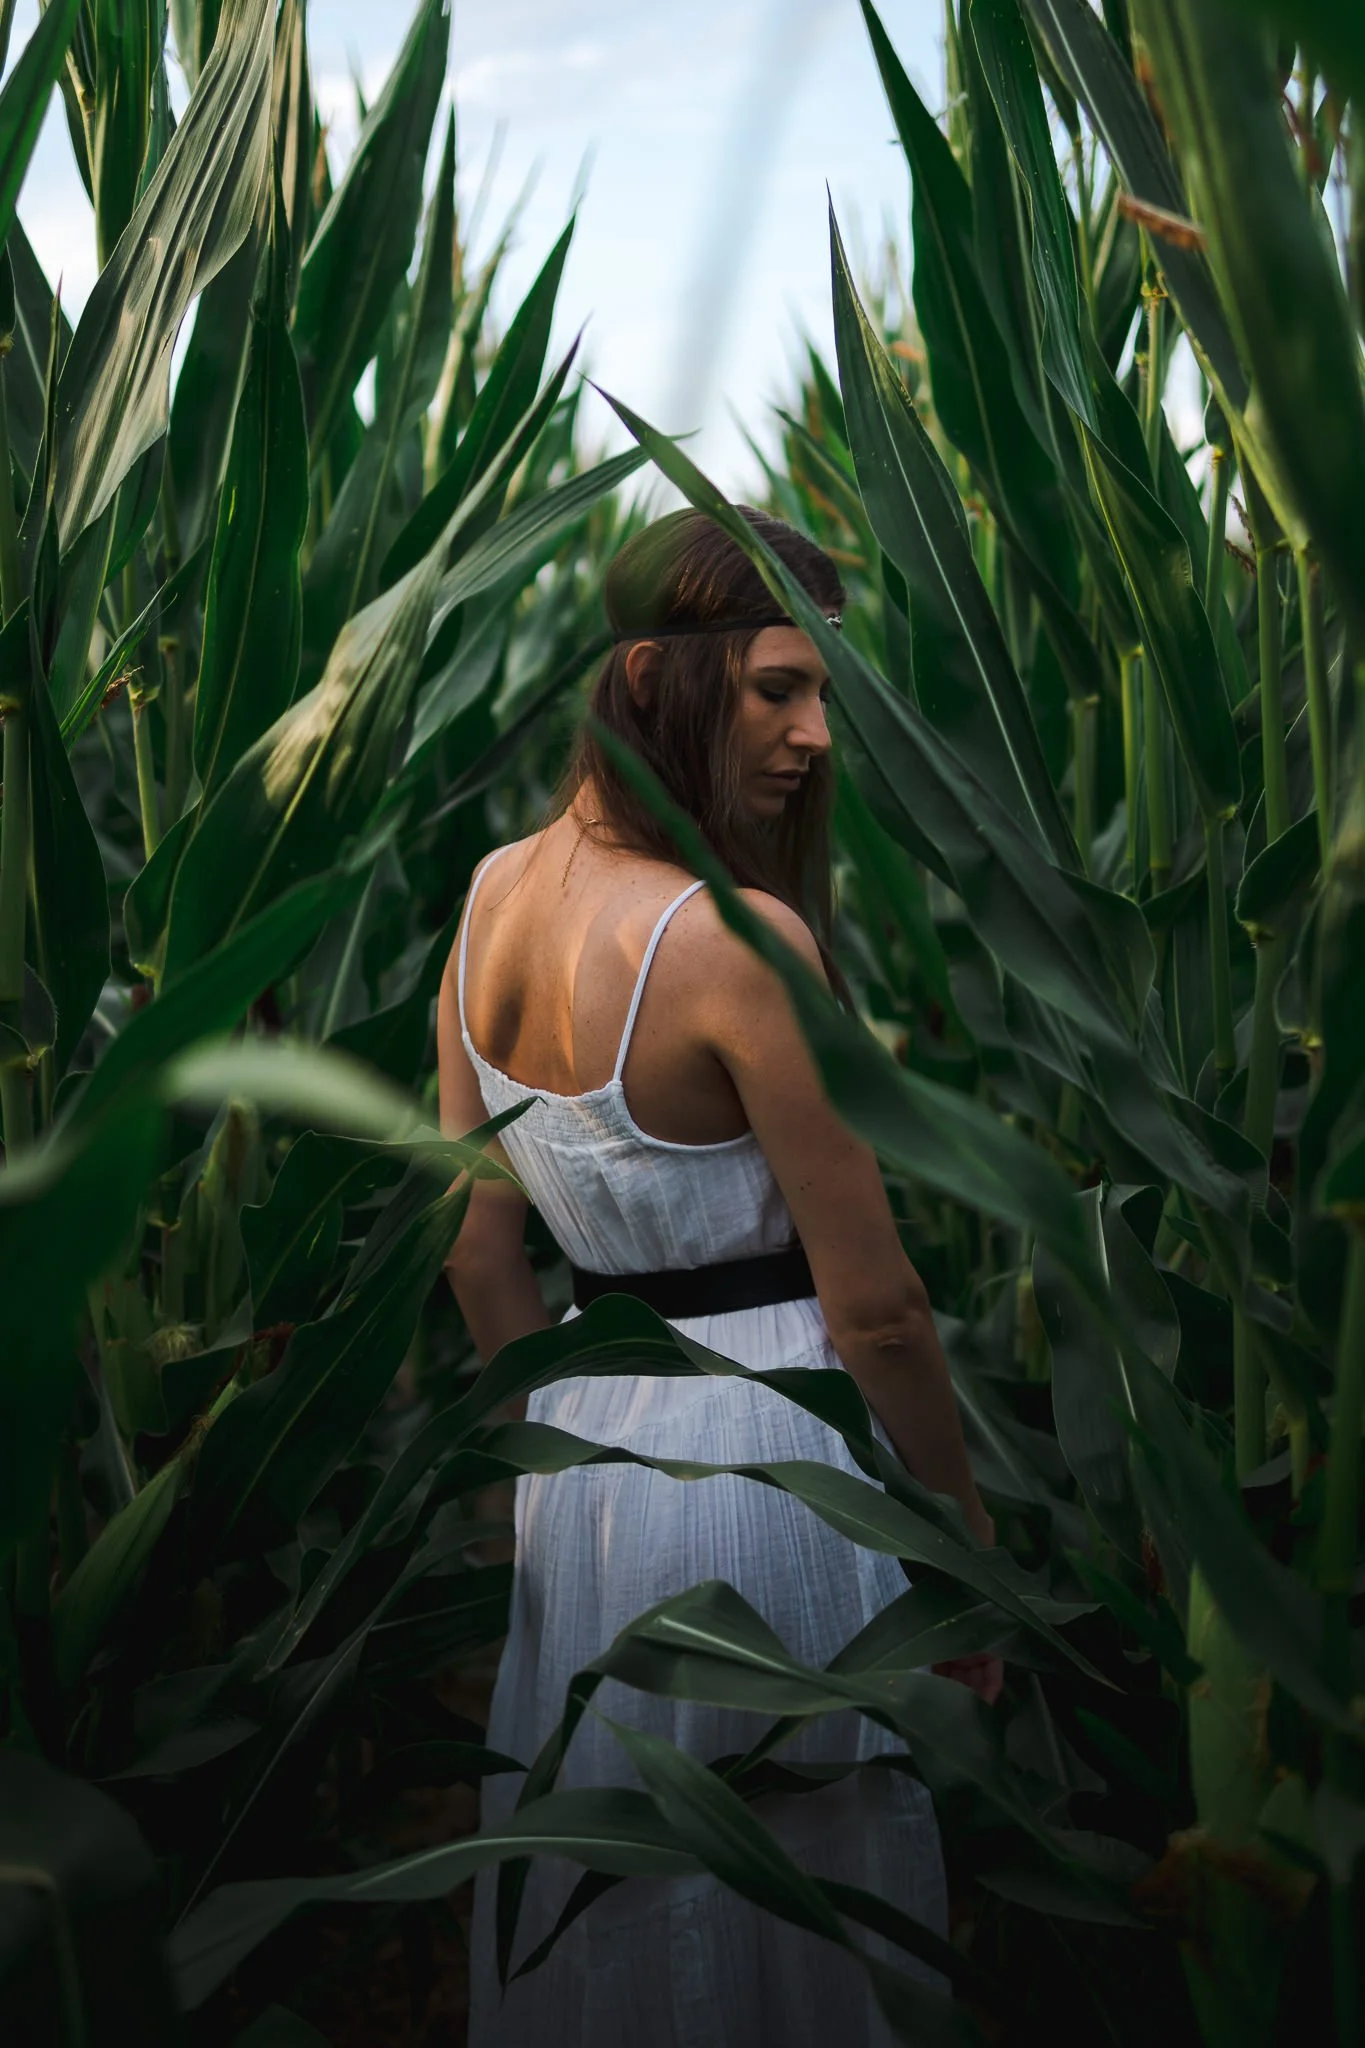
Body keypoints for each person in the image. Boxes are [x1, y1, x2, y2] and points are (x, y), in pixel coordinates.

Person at [439, 507, 1001, 2046]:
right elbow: (876, 1309)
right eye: (777, 689)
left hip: (589, 1463)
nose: (816, 734)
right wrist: (962, 1543)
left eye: (823, 693)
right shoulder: (739, 943)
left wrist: (545, 1489)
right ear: (652, 678)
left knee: (617, 1877)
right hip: (774, 1455)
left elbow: (481, 1256)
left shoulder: (490, 899)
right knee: (795, 1886)